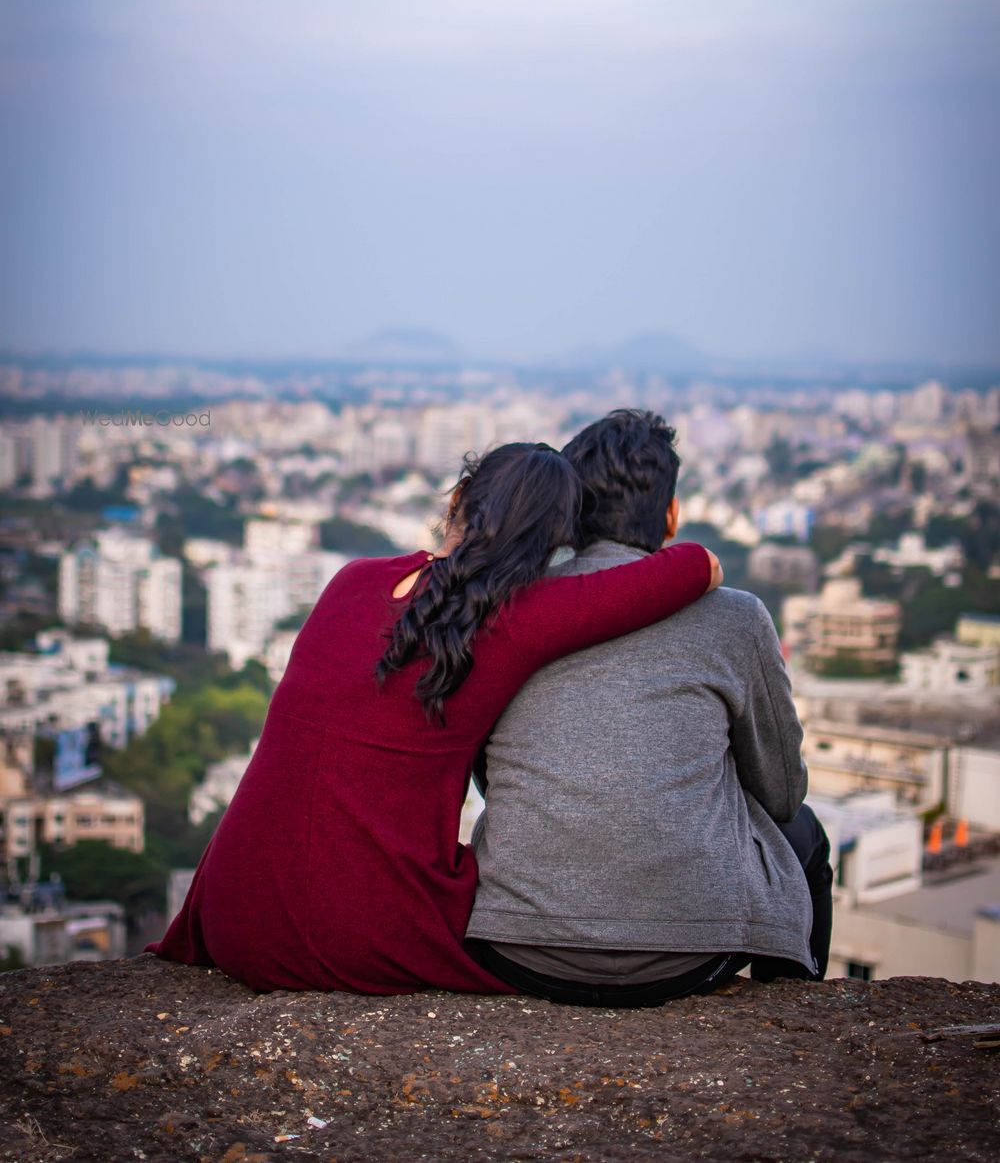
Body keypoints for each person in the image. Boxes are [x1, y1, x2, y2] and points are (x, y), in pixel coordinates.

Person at [147, 442, 721, 994]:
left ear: (457, 501)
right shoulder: (520, 618)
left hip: (235, 913)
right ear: (556, 543)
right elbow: (696, 565)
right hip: (354, 931)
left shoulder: (352, 579)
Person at [466, 410, 833, 1007]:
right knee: (803, 831)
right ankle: (793, 1007)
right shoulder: (734, 618)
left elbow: (491, 775)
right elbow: (783, 793)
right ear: (670, 515)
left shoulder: (511, 608)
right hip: (690, 956)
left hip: (518, 945)